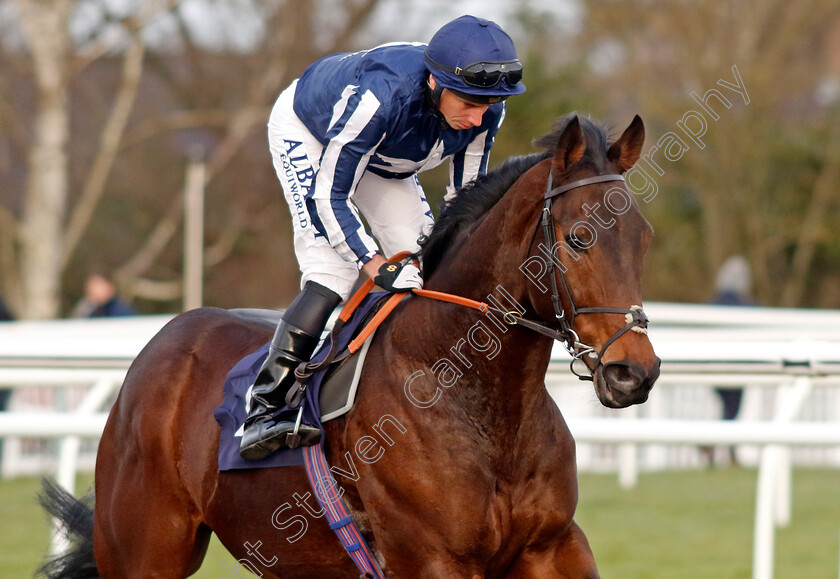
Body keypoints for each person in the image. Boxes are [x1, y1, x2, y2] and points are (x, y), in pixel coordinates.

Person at [239, 15, 526, 460]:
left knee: (426, 263)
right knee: (332, 270)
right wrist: (374, 265)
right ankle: (262, 409)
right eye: (469, 102)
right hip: (313, 135)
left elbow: (465, 200)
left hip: (384, 157)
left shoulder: (486, 111)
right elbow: (330, 194)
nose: (477, 117)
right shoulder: (380, 98)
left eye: (488, 104)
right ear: (435, 83)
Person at [703, 255, 755, 466]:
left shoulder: (712, 303)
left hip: (713, 364)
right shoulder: (748, 306)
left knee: (728, 410)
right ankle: (720, 448)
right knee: (732, 410)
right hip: (736, 364)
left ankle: (719, 448)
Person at [72, 273, 137, 318]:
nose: (92, 291)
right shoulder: (91, 311)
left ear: (109, 286)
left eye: (96, 286)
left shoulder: (122, 312)